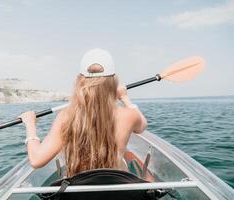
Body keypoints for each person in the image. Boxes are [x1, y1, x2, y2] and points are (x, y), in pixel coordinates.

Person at [20, 48, 148, 177]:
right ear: (113, 81)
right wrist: (125, 98)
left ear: (79, 80)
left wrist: (30, 123)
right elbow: (142, 125)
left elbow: (36, 160)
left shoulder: (66, 116)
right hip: (116, 185)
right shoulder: (130, 115)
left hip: (80, 188)